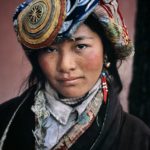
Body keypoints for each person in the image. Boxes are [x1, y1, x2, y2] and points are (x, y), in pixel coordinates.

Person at [0, 0, 150, 150]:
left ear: (106, 52)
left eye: (80, 46)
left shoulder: (138, 138)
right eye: (50, 50)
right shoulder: (5, 119)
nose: (65, 65)